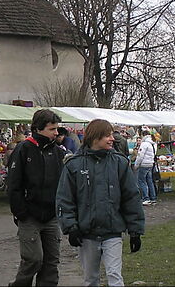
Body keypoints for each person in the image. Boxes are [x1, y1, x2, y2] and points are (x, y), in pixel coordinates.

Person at [56, 119, 145, 287]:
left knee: (114, 275)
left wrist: (135, 230)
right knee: (91, 279)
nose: (112, 139)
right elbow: (65, 199)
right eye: (107, 135)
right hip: (87, 234)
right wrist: (71, 227)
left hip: (112, 232)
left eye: (112, 134)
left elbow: (131, 197)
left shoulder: (119, 163)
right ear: (95, 137)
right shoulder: (74, 165)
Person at [7, 109, 65, 286]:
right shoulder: (23, 149)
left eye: (57, 129)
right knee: (33, 259)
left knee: (51, 262)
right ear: (39, 128)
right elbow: (14, 184)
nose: (56, 133)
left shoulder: (58, 152)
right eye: (52, 129)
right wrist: (21, 212)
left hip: (51, 216)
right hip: (29, 215)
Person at [133, 130, 157, 206]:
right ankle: (153, 198)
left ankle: (146, 198)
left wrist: (136, 165)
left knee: (141, 181)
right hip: (150, 164)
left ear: (143, 135)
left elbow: (140, 156)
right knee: (150, 181)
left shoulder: (144, 144)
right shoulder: (153, 143)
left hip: (144, 164)